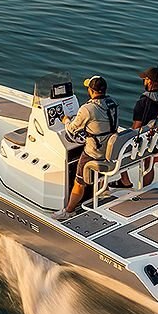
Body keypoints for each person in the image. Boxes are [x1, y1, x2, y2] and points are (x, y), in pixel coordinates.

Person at [57, 75, 118, 218]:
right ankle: (105, 190)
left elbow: (72, 129)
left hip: (95, 153)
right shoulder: (113, 102)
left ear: (91, 90)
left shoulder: (87, 109)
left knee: (79, 182)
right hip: (110, 150)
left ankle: (69, 211)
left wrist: (66, 120)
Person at [114, 66, 158, 189]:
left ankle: (125, 180)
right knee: (149, 163)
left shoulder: (142, 103)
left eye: (145, 79)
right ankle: (145, 189)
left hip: (143, 145)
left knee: (116, 144)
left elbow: (136, 128)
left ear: (149, 81)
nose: (144, 81)